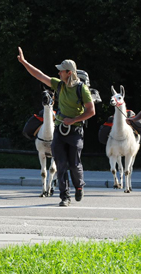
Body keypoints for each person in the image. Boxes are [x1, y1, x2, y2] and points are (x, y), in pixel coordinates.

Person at [17, 47, 95, 206]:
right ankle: (64, 197)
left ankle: (79, 186)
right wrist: (24, 62)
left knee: (74, 164)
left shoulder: (82, 89)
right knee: (60, 164)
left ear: (69, 73)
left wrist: (73, 120)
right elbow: (39, 75)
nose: (59, 73)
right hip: (59, 129)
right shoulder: (59, 85)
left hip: (75, 131)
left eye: (61, 71)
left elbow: (91, 111)